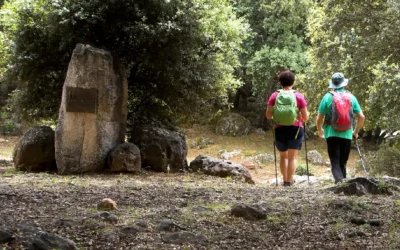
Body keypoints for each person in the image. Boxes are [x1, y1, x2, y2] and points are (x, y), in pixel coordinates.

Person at [316, 72, 365, 183]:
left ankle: (340, 183)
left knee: (335, 161)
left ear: (332, 84)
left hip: (331, 133)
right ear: (344, 84)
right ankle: (344, 184)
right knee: (342, 162)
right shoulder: (351, 97)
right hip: (347, 133)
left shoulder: (328, 97)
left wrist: (320, 130)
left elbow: (319, 117)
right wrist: (356, 131)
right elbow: (361, 117)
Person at [266, 70, 309, 186]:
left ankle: (284, 180)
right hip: (295, 129)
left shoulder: (275, 95)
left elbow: (268, 115)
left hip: (279, 129)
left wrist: (277, 113)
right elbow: (305, 117)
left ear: (280, 82)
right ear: (293, 82)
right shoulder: (298, 96)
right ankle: (289, 183)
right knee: (292, 157)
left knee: (283, 157)